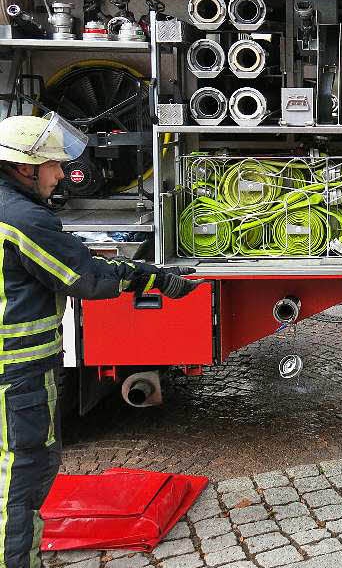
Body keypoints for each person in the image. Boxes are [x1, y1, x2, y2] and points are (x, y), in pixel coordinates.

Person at [0, 113, 201, 567]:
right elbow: (87, 278)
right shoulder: (22, 219)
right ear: (25, 167)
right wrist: (152, 277)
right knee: (22, 477)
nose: (60, 175)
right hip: (15, 375)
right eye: (53, 166)